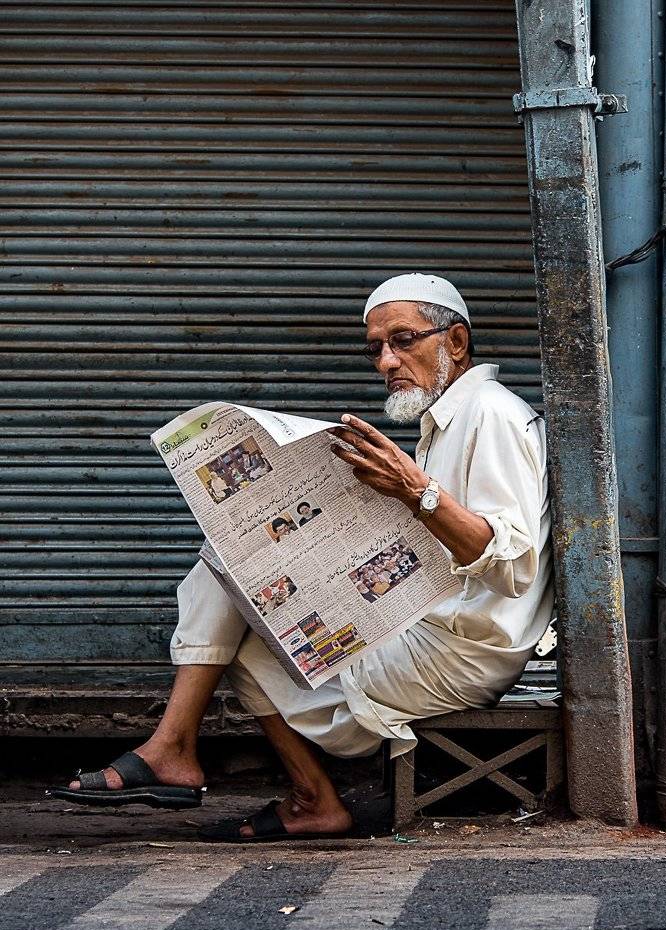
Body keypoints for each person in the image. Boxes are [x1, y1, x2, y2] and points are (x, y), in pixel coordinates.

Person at [50, 273, 554, 841]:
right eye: (375, 349)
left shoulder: (490, 413)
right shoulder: (448, 419)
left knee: (233, 581)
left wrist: (415, 491)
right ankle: (302, 795)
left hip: (460, 649)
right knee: (237, 564)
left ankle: (176, 748)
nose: (386, 362)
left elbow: (514, 566)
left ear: (456, 342)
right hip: (424, 619)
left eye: (403, 340)